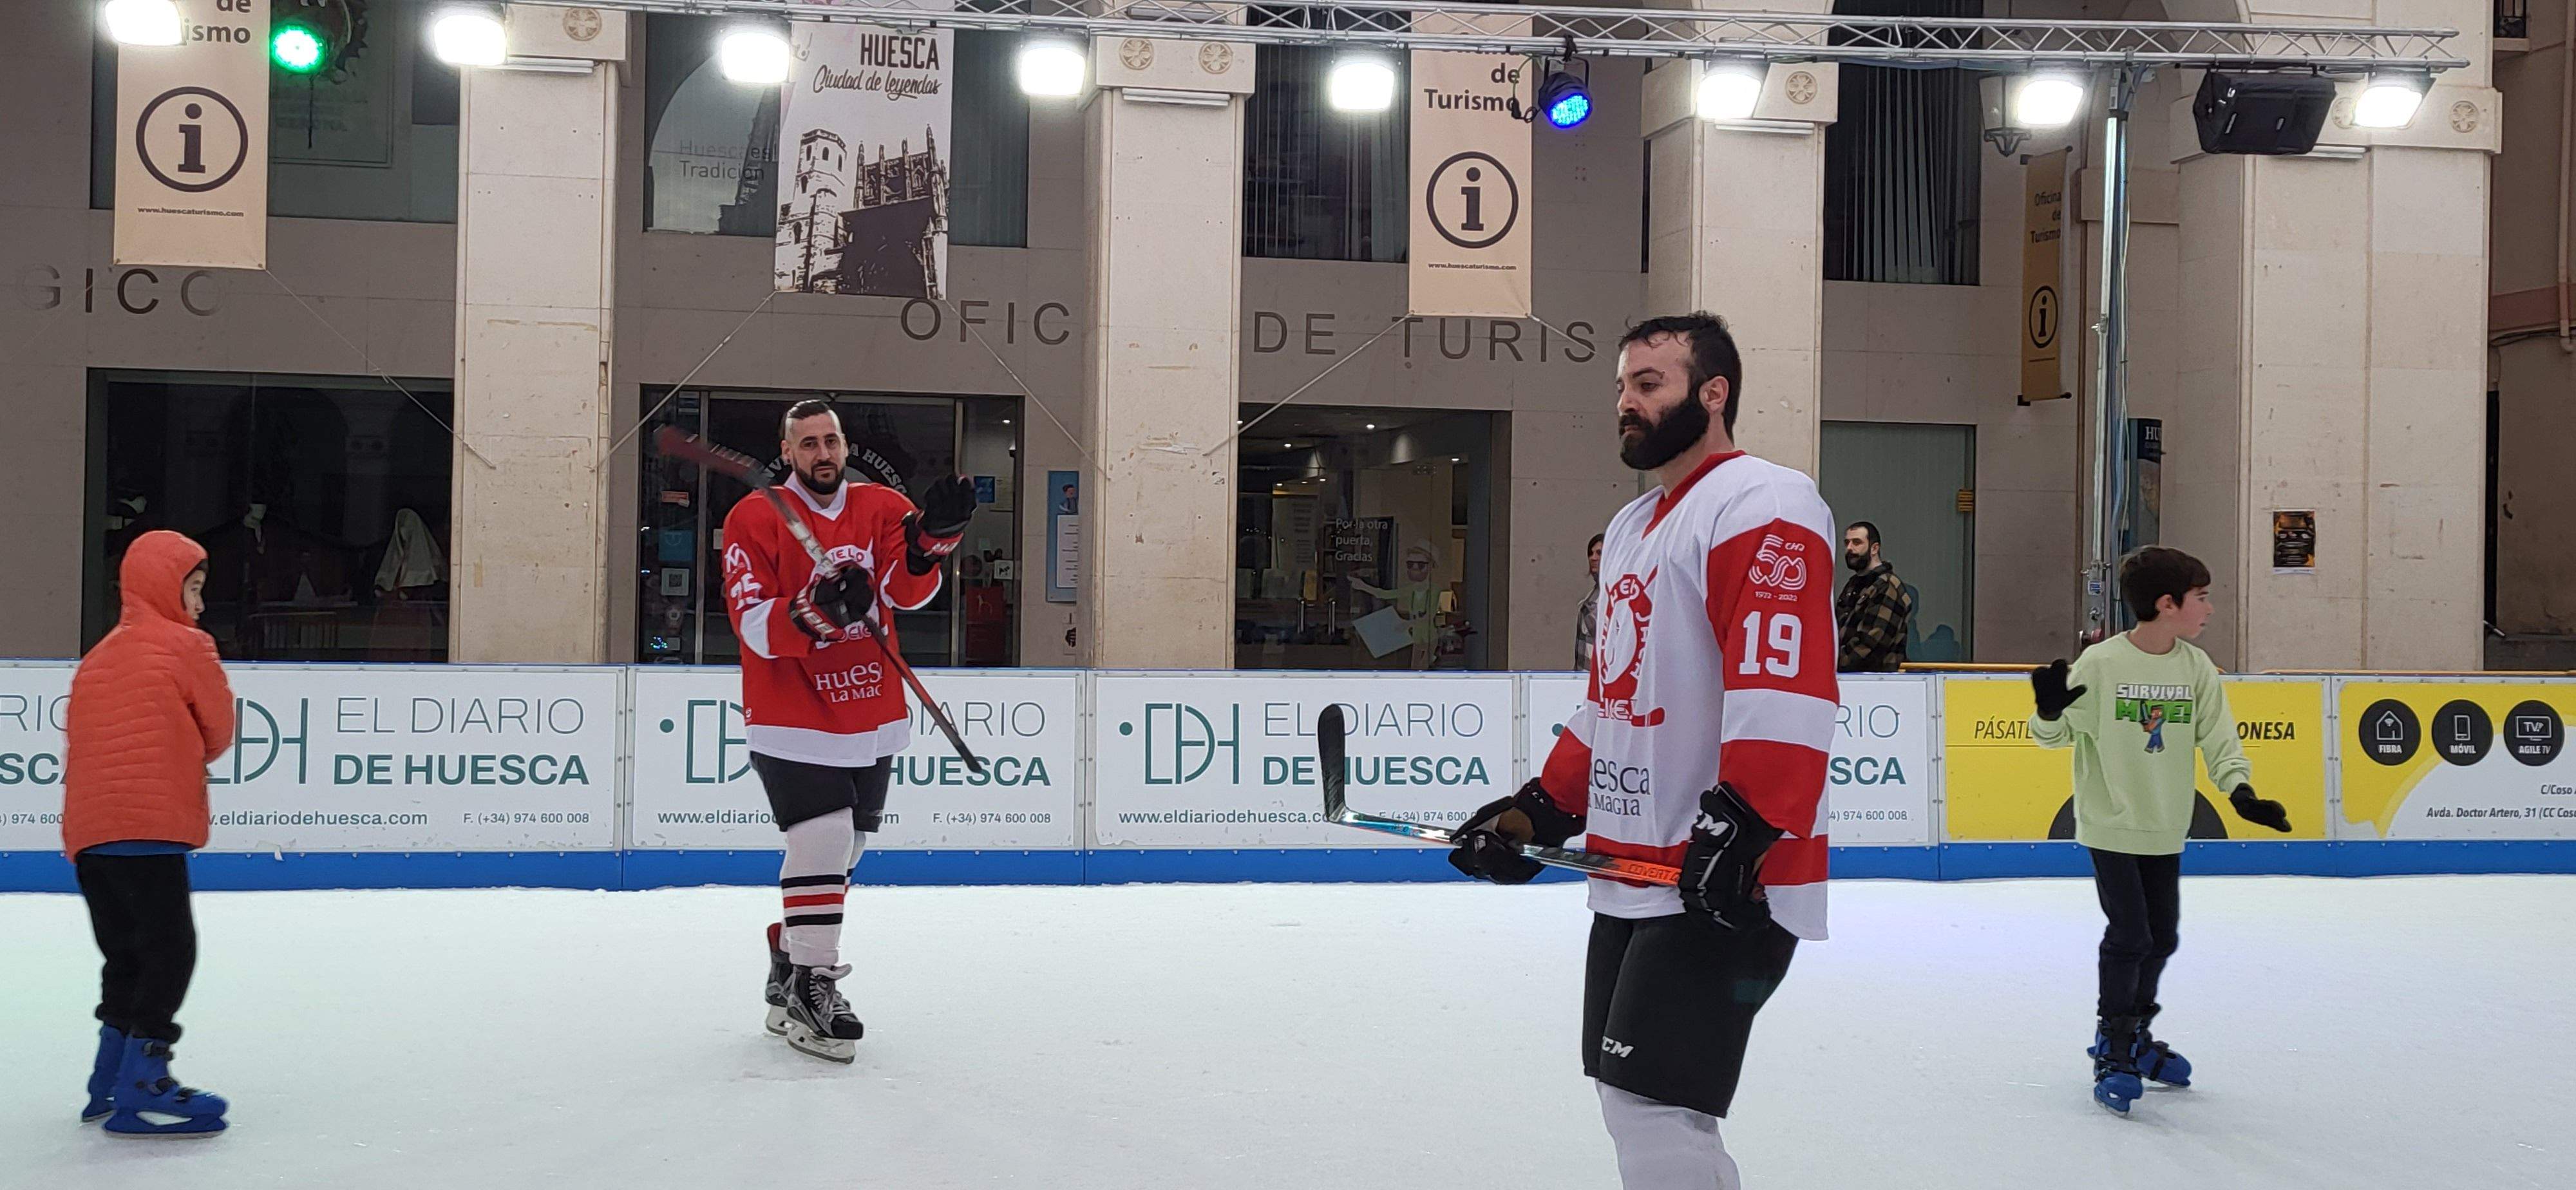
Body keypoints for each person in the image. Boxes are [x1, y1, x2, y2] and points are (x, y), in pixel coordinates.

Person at [1448, 313, 1839, 1189]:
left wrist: (1747, 827)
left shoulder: (1763, 503)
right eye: (1622, 386)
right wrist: (1538, 808)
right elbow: (1612, 701)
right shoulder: (1631, 528)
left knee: (1649, 1105)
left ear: (1714, 393)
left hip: (1725, 874)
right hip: (1636, 870)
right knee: (1644, 1099)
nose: (1626, 402)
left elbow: (1784, 683)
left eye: (1649, 384)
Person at [722, 399, 976, 1063]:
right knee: (823, 837)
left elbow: (906, 592)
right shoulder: (754, 516)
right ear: (788, 454)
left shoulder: (884, 507)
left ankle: (791, 948)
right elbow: (750, 621)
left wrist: (931, 541)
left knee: (849, 847)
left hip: (869, 707)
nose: (822, 453)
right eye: (807, 443)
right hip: (789, 709)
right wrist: (813, 609)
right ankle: (812, 982)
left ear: (844, 445)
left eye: (830, 440)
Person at [2027, 545, 2293, 1115]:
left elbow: (2220, 740)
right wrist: (2048, 713)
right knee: (2130, 935)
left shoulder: (2195, 667)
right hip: (2111, 822)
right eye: (2201, 598)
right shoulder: (2102, 665)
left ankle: (2137, 1035)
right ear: (2167, 604)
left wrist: (2240, 791)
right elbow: (2052, 737)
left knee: (2163, 936)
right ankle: (2115, 1048)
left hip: (2165, 825)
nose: (2210, 609)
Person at [61, 529, 236, 1138]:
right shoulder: (188, 646)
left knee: (126, 957)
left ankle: (107, 1079)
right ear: (166, 587)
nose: (200, 604)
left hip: (91, 836)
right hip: (150, 828)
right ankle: (145, 1081)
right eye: (194, 588)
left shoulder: (98, 655)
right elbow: (218, 733)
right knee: (169, 952)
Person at [1834, 520, 1912, 672]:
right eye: (1847, 543)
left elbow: (1871, 644)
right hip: (1850, 676)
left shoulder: (1888, 585)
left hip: (1877, 680)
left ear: (1874, 548)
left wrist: (1830, 665)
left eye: (1857, 542)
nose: (1850, 548)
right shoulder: (1855, 584)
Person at [1576, 531, 1605, 671]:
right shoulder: (1594, 593)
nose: (1593, 558)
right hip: (1585, 675)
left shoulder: (1616, 593)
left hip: (1600, 677)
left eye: (1599, 553)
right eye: (1591, 553)